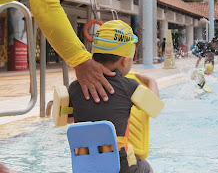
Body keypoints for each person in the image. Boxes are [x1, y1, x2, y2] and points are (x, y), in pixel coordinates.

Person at [68, 20, 158, 173]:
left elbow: (70, 119)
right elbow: (154, 108)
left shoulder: (76, 87)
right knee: (147, 168)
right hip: (121, 165)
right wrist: (151, 81)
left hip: (84, 165)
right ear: (124, 61)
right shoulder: (129, 86)